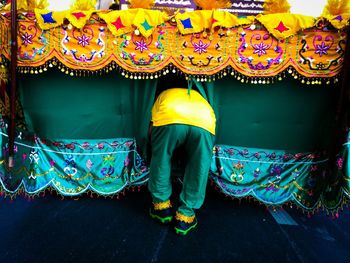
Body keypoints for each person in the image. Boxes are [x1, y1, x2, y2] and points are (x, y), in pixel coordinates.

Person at [148, 75, 216, 235]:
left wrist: (155, 147)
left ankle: (161, 207)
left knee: (161, 158)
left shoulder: (163, 94)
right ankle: (185, 217)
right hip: (204, 122)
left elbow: (151, 131)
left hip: (169, 116)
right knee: (199, 166)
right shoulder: (202, 98)